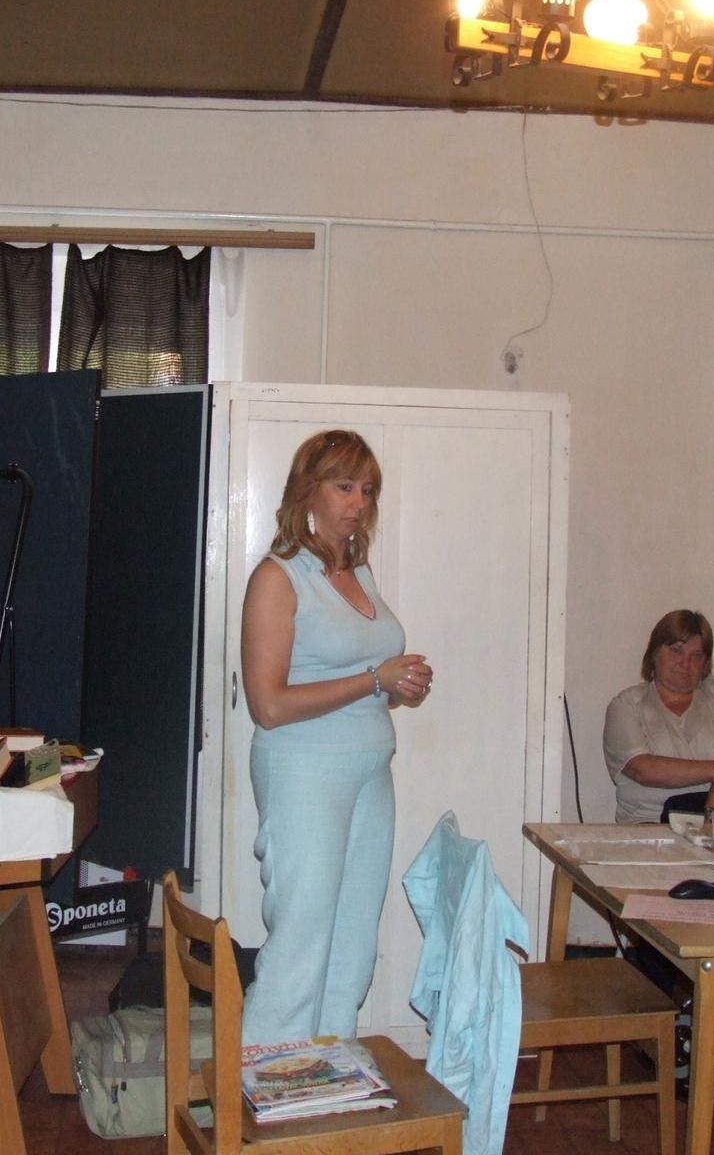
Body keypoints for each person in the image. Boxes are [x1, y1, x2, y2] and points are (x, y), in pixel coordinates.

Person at [237, 429, 433, 1045]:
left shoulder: (358, 572)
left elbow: (360, 678)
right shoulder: (278, 578)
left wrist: (397, 687)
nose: (358, 502)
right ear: (308, 490)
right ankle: (266, 1081)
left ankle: (328, 1072)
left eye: (367, 490)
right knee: (301, 939)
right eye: (344, 486)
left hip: (369, 772)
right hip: (304, 771)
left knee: (352, 941)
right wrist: (374, 678)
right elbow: (269, 706)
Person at [603, 608, 714, 825]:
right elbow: (642, 769)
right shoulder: (625, 705)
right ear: (654, 652)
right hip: (651, 824)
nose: (685, 663)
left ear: (705, 663)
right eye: (676, 651)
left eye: (696, 656)